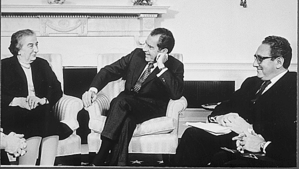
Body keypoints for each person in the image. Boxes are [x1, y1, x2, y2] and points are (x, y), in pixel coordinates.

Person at [172, 35, 296, 167]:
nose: (254, 64)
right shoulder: (251, 82)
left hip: (263, 144)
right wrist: (220, 117)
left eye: (260, 59)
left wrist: (249, 128)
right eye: (255, 57)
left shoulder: (293, 86)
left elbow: (285, 128)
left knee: (224, 159)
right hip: (235, 138)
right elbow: (227, 104)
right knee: (193, 135)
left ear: (279, 62)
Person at [82, 27, 184, 166]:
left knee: (120, 101)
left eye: (150, 46)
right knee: (127, 120)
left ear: (163, 51)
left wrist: (161, 66)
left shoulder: (175, 66)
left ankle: (101, 155)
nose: (144, 49)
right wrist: (93, 90)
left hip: (150, 107)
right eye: (145, 44)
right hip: (127, 104)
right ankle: (118, 164)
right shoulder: (137, 55)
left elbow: (176, 93)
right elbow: (110, 70)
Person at [1, 29, 72, 166]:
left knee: (44, 112)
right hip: (13, 114)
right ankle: (27, 166)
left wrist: (42, 99)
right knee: (39, 116)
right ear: (18, 49)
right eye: (31, 45)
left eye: (36, 44)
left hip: (40, 111)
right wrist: (16, 101)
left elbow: (56, 89)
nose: (36, 49)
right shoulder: (4, 66)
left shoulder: (42, 64)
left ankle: (47, 166)